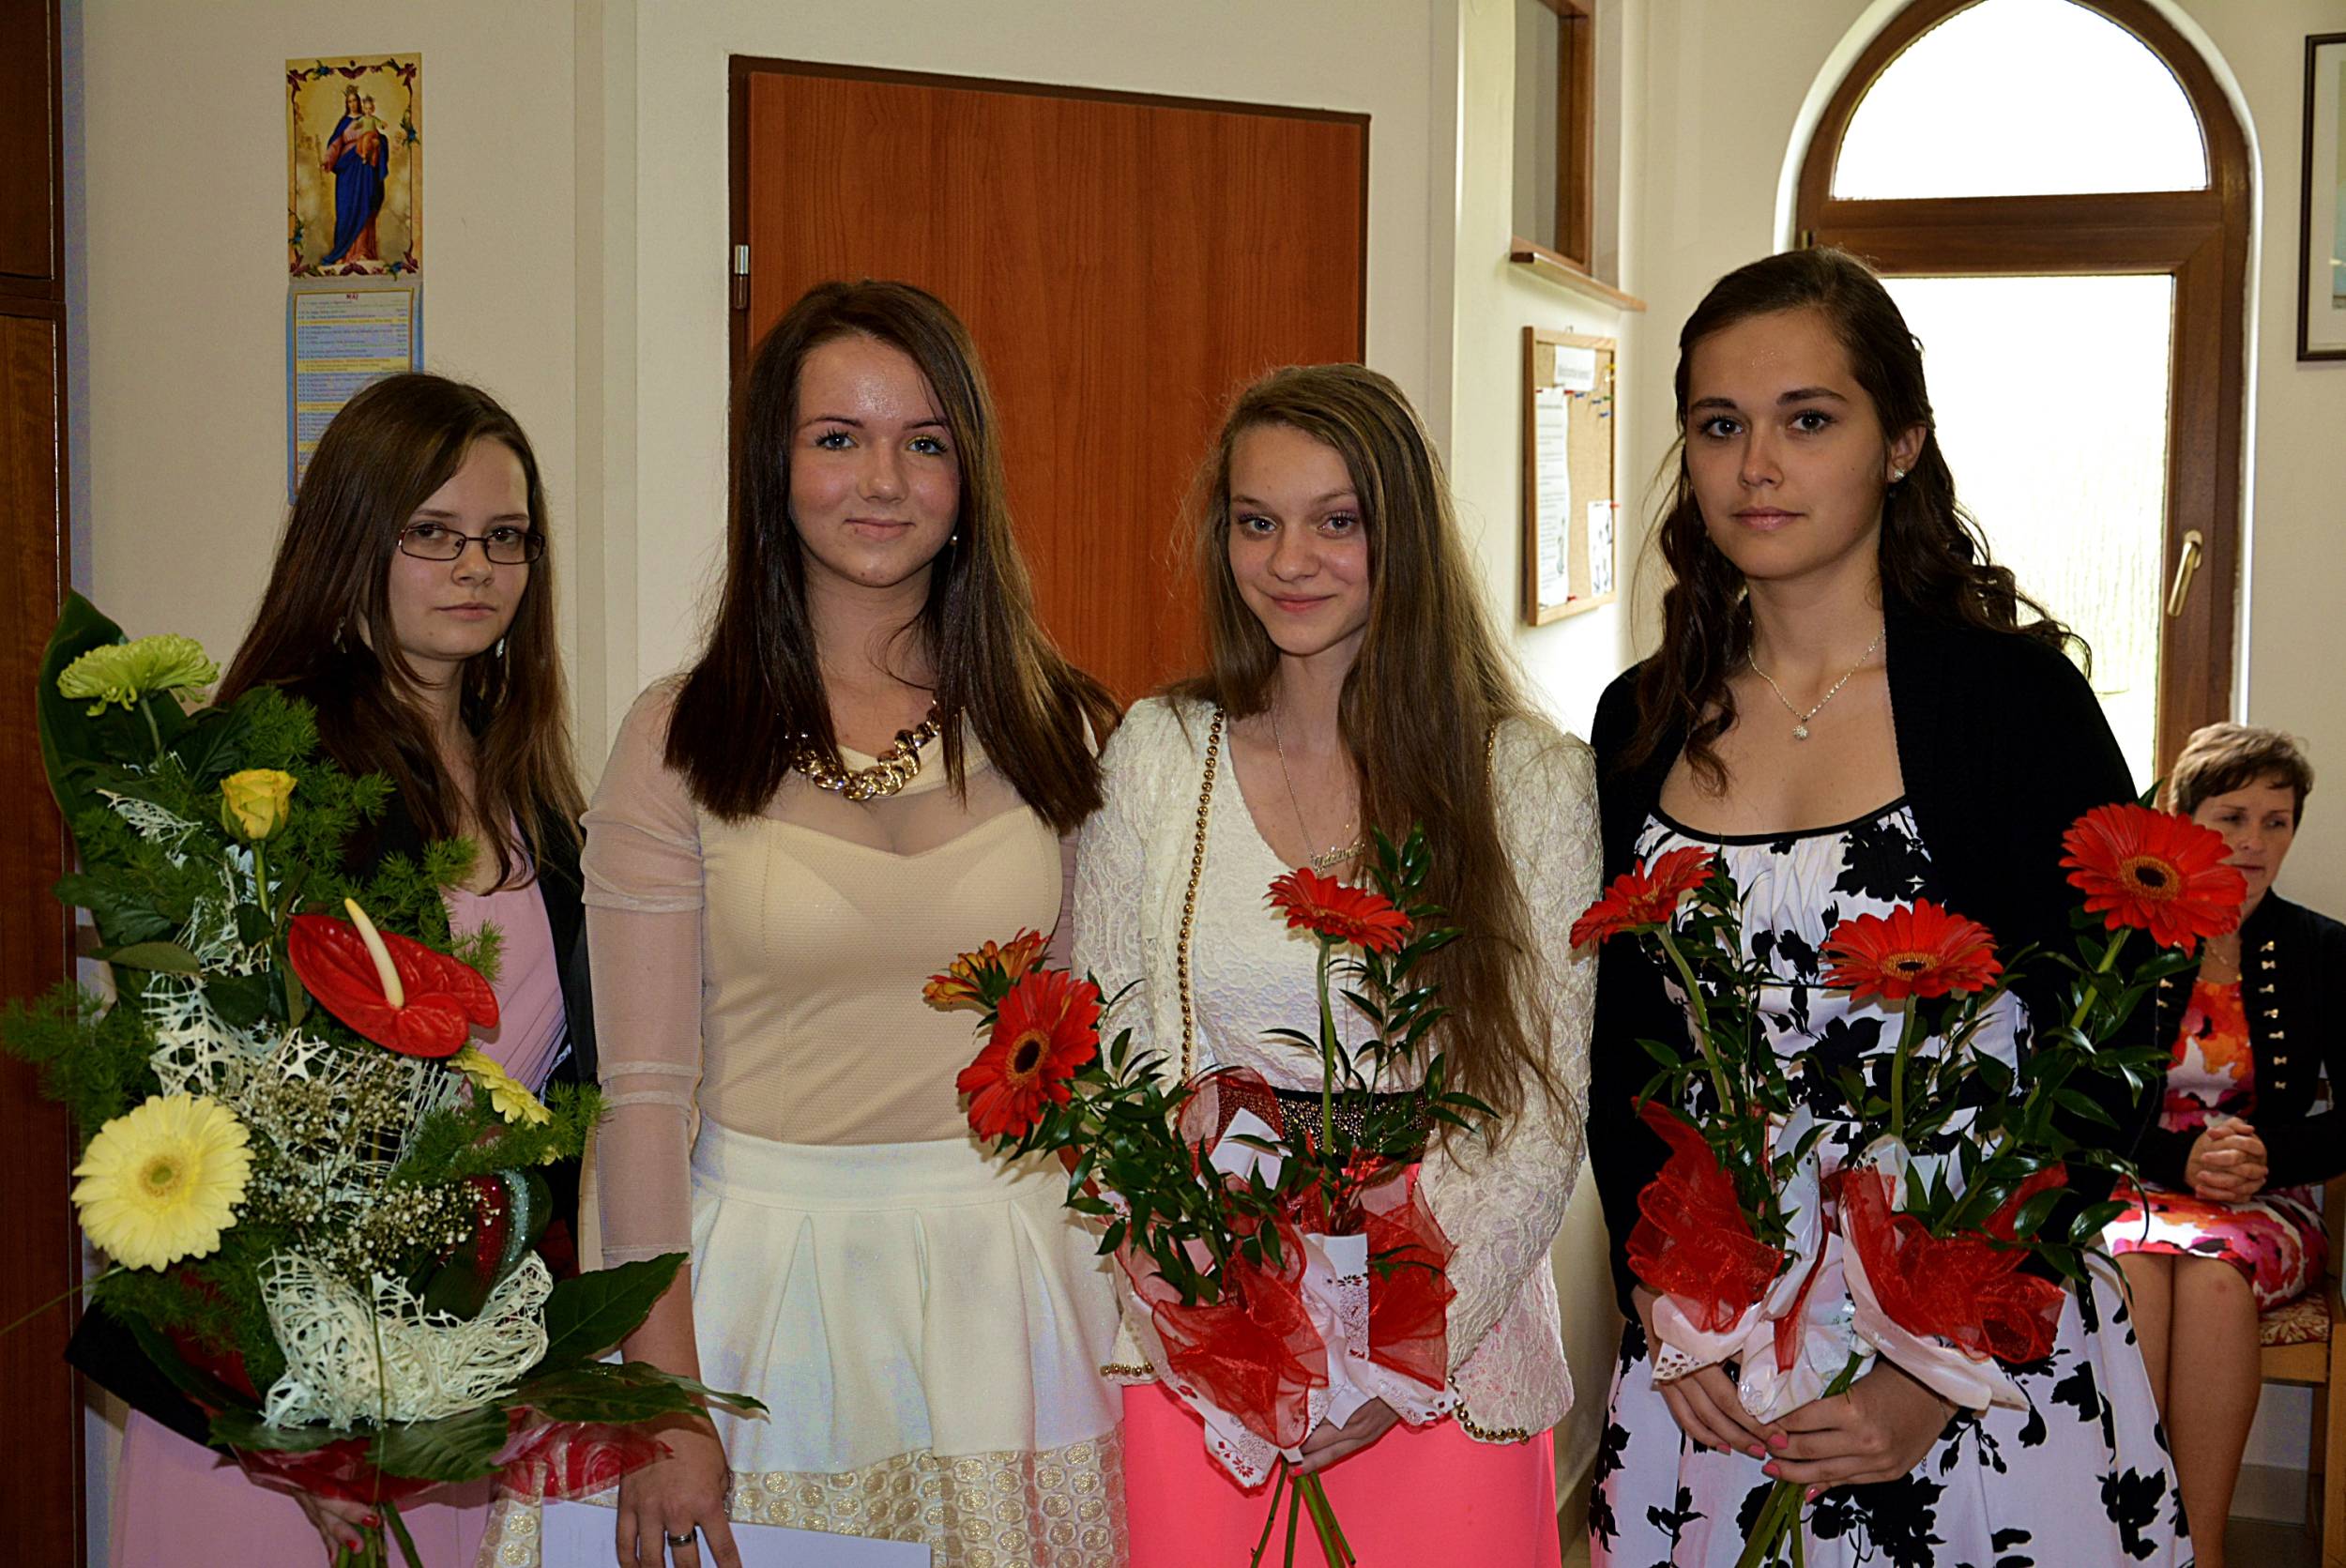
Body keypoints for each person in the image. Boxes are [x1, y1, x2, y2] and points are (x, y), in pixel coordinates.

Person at [1583, 247, 2187, 1565]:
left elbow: (2114, 1042)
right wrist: (1661, 1295)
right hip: (1721, 1340)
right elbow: (1621, 1042)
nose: (1757, 466)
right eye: (1720, 426)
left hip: (1976, 1322)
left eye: (1808, 420)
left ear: (1901, 443)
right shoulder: (1638, 721)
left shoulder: (2016, 704)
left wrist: (1941, 1364)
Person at [581, 280, 1125, 1568]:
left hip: (1011, 1291)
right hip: (762, 1295)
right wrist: (662, 1399)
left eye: (923, 441)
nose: (882, 481)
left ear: (968, 475)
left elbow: (1095, 1058)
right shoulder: (676, 738)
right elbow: (642, 1099)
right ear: (774, 470)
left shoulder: (1061, 726)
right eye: (837, 438)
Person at [1074, 363, 1598, 1566]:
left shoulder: (1527, 779)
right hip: (1207, 1342)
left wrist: (1395, 1354)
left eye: (1336, 521)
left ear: (1400, 534)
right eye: (1256, 522)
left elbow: (1538, 1106)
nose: (1290, 561)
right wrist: (1204, 1295)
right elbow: (1107, 1047)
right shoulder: (1157, 750)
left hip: (1444, 1352)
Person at [95, 372, 593, 1566]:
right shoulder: (262, 769)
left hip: (453, 1381)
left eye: (506, 537)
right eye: (431, 532)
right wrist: (297, 1433)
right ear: (352, 540)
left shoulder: (534, 788)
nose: (475, 568)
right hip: (265, 1405)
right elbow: (178, 1100)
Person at [2109, 723, 2345, 1568]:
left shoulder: (2324, 949)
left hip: (2265, 1203)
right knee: (2130, 1274)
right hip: (2130, 1188)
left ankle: (2201, 1550)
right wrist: (2177, 1161)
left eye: (2277, 821)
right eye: (2233, 817)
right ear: (2184, 821)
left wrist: (2266, 1157)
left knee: (2214, 1280)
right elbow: (2083, 1097)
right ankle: (2125, 1544)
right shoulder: (2124, 938)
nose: (2255, 841)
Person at [320, 83, 388, 266]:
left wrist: (377, 143)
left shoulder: (368, 119)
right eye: (349, 101)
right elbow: (335, 144)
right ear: (347, 104)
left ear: (359, 102)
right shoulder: (344, 123)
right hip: (347, 170)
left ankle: (362, 251)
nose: (352, 104)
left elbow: (379, 138)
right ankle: (344, 253)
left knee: (364, 206)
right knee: (346, 209)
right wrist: (328, 159)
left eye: (355, 101)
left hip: (364, 169)